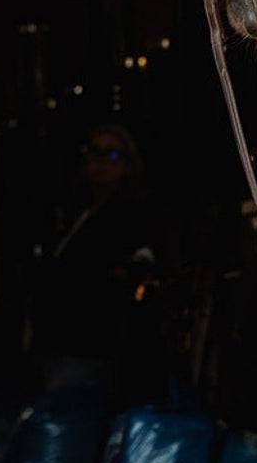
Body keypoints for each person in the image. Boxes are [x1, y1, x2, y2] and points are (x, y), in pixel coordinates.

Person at [31, 124, 164, 398]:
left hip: (96, 343)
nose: (100, 162)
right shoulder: (75, 211)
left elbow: (131, 276)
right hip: (61, 339)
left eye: (111, 155)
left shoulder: (133, 215)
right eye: (94, 152)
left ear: (128, 164)